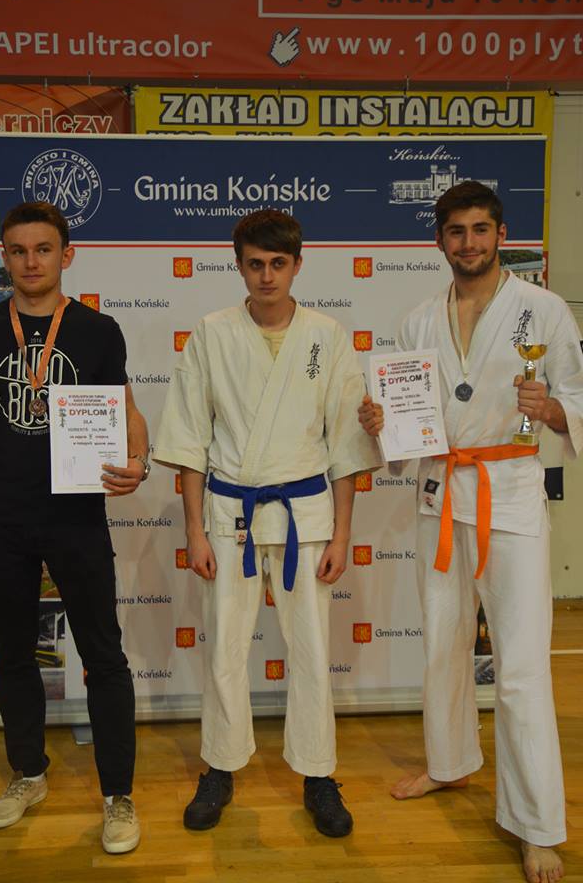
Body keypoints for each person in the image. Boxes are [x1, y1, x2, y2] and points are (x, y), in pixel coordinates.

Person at [359, 180, 583, 883]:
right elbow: (409, 432)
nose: (469, 242)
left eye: (481, 229)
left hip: (508, 497)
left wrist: (549, 411)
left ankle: (536, 824)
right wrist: (383, 426)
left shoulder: (543, 310)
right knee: (443, 646)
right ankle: (450, 763)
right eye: (456, 231)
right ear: (439, 240)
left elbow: (573, 400)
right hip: (438, 493)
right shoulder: (418, 321)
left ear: (501, 234)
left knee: (520, 667)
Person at [154, 208, 380, 837]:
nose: (267, 276)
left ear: (298, 264)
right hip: (231, 514)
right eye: (255, 264)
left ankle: (318, 773)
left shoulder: (327, 336)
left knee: (311, 648)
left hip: (306, 514)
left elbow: (345, 446)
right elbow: (190, 442)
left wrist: (342, 534)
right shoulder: (211, 334)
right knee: (225, 648)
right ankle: (220, 766)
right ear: (239, 265)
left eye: (279, 263)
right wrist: (194, 531)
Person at [0, 201, 151, 855]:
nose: (30, 261)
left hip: (75, 514)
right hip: (2, 516)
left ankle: (118, 794)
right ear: (3, 257)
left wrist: (139, 459)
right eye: (17, 251)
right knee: (12, 654)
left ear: (66, 254)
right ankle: (28, 773)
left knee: (104, 655)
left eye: (42, 249)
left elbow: (125, 409)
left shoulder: (97, 330)